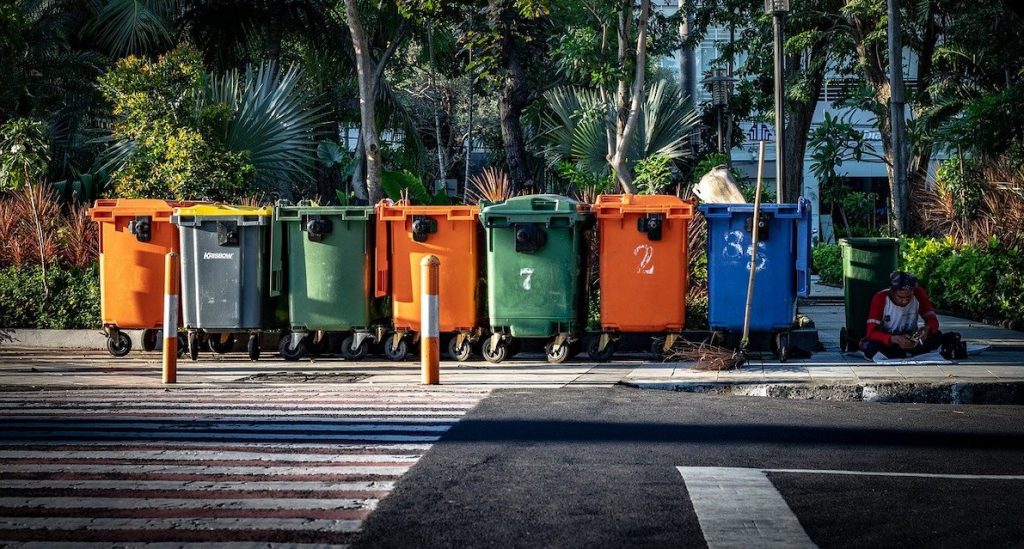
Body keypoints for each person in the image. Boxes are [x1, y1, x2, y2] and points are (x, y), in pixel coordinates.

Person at [860, 271, 942, 359]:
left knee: (937, 335)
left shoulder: (919, 293)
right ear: (892, 292)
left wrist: (926, 330)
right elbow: (871, 333)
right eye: (900, 297)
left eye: (909, 297)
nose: (905, 301)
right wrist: (894, 339)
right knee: (871, 346)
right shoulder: (880, 298)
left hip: (911, 337)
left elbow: (933, 320)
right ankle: (909, 353)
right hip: (889, 339)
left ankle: (904, 353)